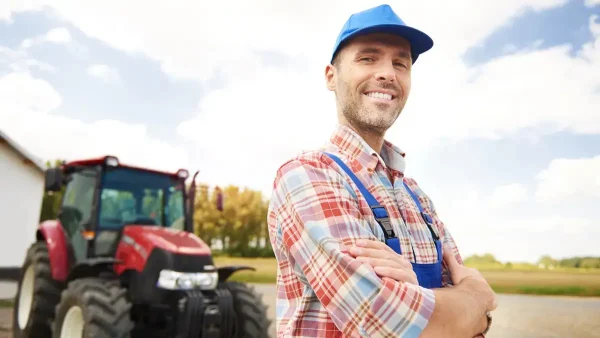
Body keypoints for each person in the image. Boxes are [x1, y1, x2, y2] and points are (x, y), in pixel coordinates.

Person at [267, 4, 497, 337]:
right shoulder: (307, 176)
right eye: (368, 58)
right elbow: (385, 325)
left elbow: (474, 327)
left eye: (400, 63)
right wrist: (473, 298)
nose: (388, 73)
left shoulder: (416, 196)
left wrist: (421, 295)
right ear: (331, 76)